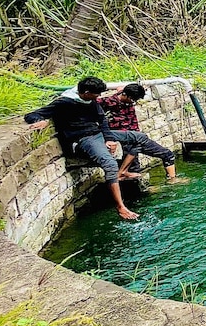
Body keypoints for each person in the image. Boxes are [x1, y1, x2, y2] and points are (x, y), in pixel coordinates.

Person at [23, 76, 140, 220]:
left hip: (97, 134)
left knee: (139, 137)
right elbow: (32, 114)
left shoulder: (90, 101)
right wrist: (40, 120)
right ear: (85, 92)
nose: (99, 97)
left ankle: (124, 172)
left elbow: (102, 119)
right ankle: (121, 207)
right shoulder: (64, 102)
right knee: (109, 164)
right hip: (83, 139)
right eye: (96, 94)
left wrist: (109, 139)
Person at [99, 82, 186, 184]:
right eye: (132, 100)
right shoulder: (108, 102)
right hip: (124, 137)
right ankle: (125, 175)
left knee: (167, 154)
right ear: (125, 95)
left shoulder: (125, 93)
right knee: (134, 173)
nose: (133, 102)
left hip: (137, 137)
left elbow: (120, 88)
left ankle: (172, 180)